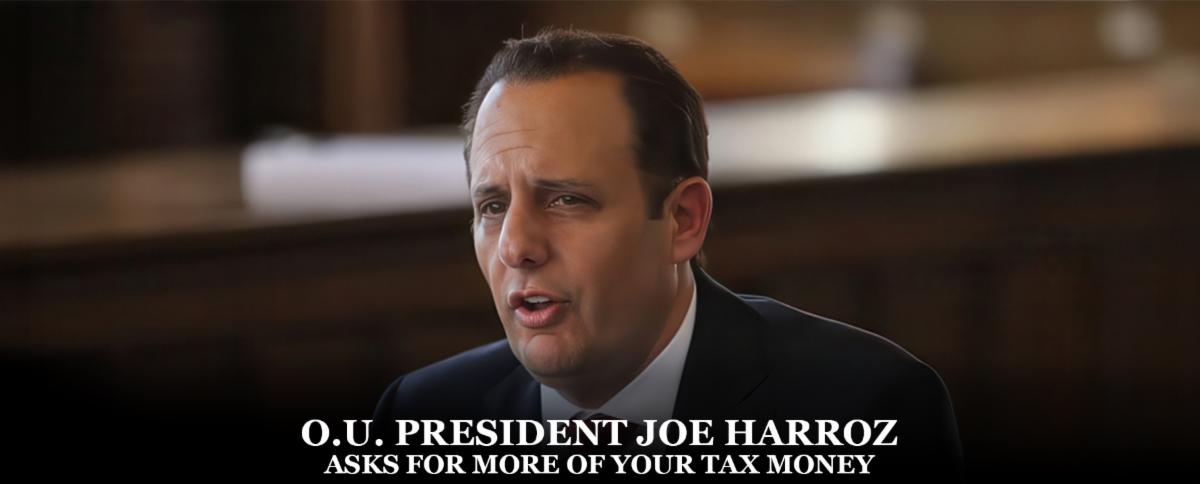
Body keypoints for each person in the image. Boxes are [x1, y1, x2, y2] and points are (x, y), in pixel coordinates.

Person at [373, 28, 962, 479]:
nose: (517, 247)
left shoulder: (867, 409)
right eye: (493, 206)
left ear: (683, 220)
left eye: (567, 199)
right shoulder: (419, 418)